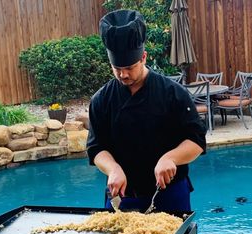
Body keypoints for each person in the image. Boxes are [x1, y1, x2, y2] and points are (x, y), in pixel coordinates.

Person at [87, 9, 207, 212]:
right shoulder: (101, 99)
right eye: (117, 68)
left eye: (130, 67)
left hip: (169, 193)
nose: (123, 74)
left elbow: (196, 141)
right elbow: (96, 147)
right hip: (122, 195)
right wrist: (112, 168)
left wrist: (171, 157)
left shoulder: (173, 93)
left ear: (143, 57)